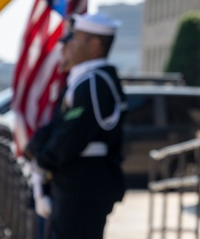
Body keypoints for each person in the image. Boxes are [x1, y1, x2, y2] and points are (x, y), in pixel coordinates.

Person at [25, 12, 126, 239]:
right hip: (77, 182)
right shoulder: (86, 81)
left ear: (94, 45)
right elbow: (63, 125)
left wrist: (44, 159)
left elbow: (75, 132)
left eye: (75, 38)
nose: (68, 43)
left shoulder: (94, 82)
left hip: (83, 185)